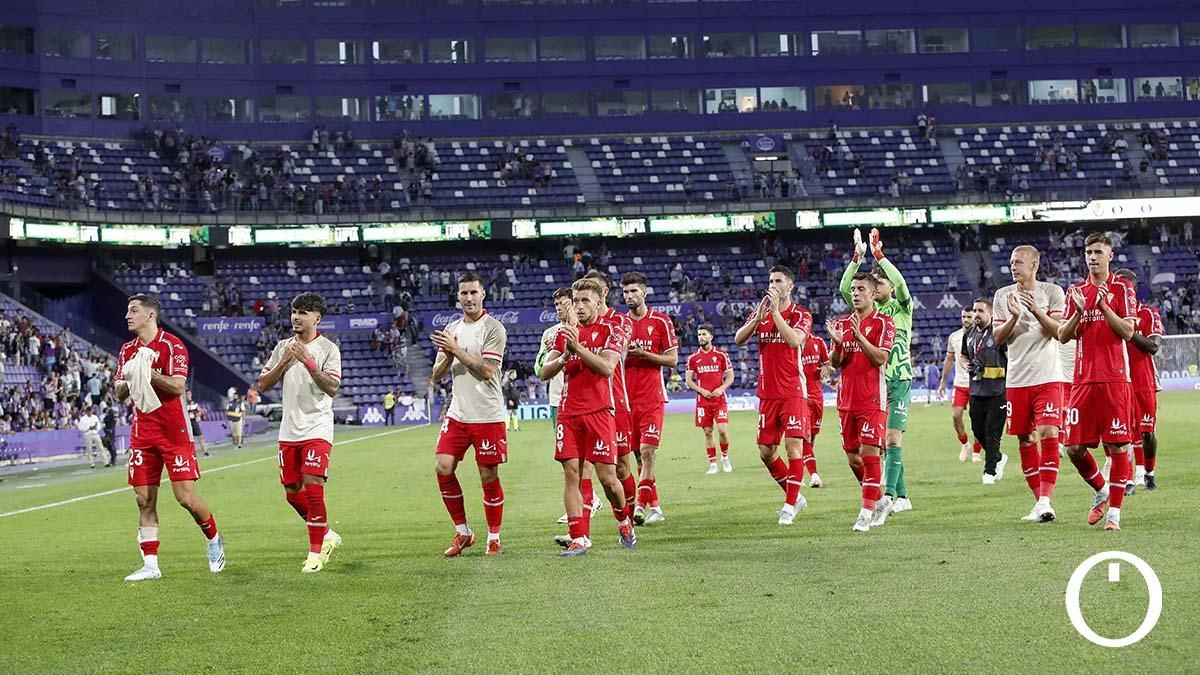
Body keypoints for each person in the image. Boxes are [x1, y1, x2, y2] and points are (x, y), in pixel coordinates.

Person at [114, 294, 224, 582]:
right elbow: (118, 392)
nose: (128, 315)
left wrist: (148, 373)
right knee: (143, 499)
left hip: (173, 432)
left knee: (185, 498)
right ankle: (151, 565)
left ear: (150, 315)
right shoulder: (127, 350)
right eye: (128, 310)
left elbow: (176, 387)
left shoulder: (172, 345)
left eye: (134, 311)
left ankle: (213, 539)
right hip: (142, 432)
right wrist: (130, 376)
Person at [539, 277, 636, 557]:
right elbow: (545, 371)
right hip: (568, 412)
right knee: (571, 474)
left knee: (608, 478)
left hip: (600, 411)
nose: (579, 306)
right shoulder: (564, 333)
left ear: (598, 301)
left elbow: (607, 367)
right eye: (576, 301)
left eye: (585, 301)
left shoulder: (611, 328)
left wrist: (577, 349)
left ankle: (623, 520)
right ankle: (578, 537)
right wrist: (563, 358)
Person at [257, 292, 344, 573]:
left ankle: (316, 553)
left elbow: (332, 387)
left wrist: (308, 362)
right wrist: (284, 361)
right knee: (293, 493)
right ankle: (327, 533)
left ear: (317, 318)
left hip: (317, 427)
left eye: (303, 312)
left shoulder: (329, 349)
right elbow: (262, 385)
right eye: (294, 310)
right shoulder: (283, 346)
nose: (296, 316)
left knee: (313, 485)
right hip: (288, 431)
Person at [1057, 233, 1137, 531]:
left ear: (1110, 256)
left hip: (1115, 379)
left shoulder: (1122, 288)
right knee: (1073, 447)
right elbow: (1063, 335)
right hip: (1082, 381)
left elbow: (1127, 332)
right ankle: (1102, 490)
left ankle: (1114, 514)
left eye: (1098, 252)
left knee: (1117, 448)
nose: (1092, 257)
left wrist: (1104, 308)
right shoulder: (1075, 291)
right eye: (1088, 252)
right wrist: (1079, 313)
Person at [430, 272, 509, 557]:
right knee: (443, 467)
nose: (468, 298)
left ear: (483, 294)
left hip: (487, 414)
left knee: (488, 475)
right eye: (463, 293)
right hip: (458, 414)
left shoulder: (493, 328)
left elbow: (487, 370)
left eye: (473, 292)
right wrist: (448, 354)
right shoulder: (452, 329)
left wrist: (455, 350)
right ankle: (463, 532)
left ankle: (494, 536)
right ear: (458, 296)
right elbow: (436, 375)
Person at [840, 228, 914, 518]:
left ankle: (892, 497)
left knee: (893, 439)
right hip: (876, 385)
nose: (879, 287)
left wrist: (880, 256)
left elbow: (901, 283)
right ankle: (901, 494)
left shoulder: (903, 308)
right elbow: (847, 287)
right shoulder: (869, 315)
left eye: (881, 283)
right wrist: (857, 257)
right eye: (876, 283)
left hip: (901, 380)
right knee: (880, 446)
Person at [734, 265, 812, 526]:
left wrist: (776, 313)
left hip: (792, 392)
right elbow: (738, 339)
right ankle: (796, 496)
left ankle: (789, 506)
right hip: (767, 394)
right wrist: (757, 318)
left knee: (793, 447)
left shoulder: (801, 315)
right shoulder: (761, 313)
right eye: (770, 280)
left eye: (778, 280)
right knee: (766, 452)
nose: (773, 284)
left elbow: (794, 341)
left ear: (790, 286)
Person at [992, 245, 1066, 521]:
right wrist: (1013, 317)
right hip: (1017, 379)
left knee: (1048, 432)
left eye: (1019, 262)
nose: (1013, 267)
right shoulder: (1002, 296)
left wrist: (1036, 310)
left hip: (1048, 376)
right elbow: (998, 338)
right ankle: (1040, 502)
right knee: (1025, 438)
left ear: (1034, 265)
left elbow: (1059, 332)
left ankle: (1046, 499)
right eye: (1011, 262)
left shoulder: (1052, 293)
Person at [827, 273, 895, 532]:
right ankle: (879, 501)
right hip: (847, 400)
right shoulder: (844, 324)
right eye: (853, 289)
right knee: (853, 459)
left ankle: (865, 514)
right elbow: (836, 363)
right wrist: (837, 344)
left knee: (869, 455)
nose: (855, 293)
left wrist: (859, 338)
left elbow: (880, 359)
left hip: (872, 399)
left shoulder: (884, 323)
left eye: (861, 289)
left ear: (874, 293)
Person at [540, 289, 602, 528]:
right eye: (555, 303)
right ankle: (582, 509)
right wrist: (550, 353)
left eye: (563, 302)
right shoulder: (550, 333)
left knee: (588, 462)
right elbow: (540, 370)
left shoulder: (592, 329)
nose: (559, 307)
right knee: (569, 462)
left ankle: (590, 502)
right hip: (559, 401)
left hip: (590, 401)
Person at [622, 272, 679, 525]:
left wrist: (645, 354)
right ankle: (655, 506)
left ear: (644, 293)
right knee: (637, 456)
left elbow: (673, 360)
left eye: (634, 291)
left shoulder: (661, 321)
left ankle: (640, 507)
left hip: (652, 397)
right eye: (625, 292)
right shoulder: (619, 324)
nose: (629, 296)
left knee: (647, 452)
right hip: (626, 399)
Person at [583, 271, 639, 526]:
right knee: (581, 467)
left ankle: (628, 516)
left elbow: (610, 362)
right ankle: (580, 529)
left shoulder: (620, 321)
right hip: (584, 404)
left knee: (620, 468)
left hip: (615, 402)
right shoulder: (578, 322)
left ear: (603, 293)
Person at [1114, 268, 1162, 492]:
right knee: (1123, 432)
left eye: (1126, 287)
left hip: (1143, 381)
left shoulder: (1148, 313)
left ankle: (1149, 472)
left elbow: (1153, 347)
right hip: (1118, 380)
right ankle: (1130, 478)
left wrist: (1129, 332)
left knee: (1146, 431)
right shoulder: (1109, 316)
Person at [964, 299, 1009, 484]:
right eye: (975, 310)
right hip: (976, 390)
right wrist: (967, 365)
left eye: (980, 311)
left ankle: (989, 472)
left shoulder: (998, 333)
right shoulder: (970, 334)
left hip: (998, 390)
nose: (976, 314)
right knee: (977, 430)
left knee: (992, 432)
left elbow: (1010, 358)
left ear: (990, 314)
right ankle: (998, 457)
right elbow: (963, 356)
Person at [685, 324, 734, 474]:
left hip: (719, 400)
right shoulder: (693, 358)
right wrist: (701, 391)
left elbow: (730, 376)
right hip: (703, 401)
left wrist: (721, 389)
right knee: (707, 432)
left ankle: (725, 457)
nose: (701, 337)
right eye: (699, 334)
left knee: (723, 430)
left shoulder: (721, 355)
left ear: (711, 336)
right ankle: (712, 464)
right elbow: (689, 380)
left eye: (704, 334)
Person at [939, 308, 979, 461]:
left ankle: (976, 451)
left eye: (969, 316)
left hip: (977, 384)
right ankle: (965, 444)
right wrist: (943, 381)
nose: (966, 319)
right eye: (964, 316)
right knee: (956, 416)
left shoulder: (980, 335)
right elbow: (949, 359)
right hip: (960, 385)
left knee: (977, 419)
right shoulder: (954, 337)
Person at [800, 332, 830, 487]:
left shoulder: (818, 342)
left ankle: (799, 469)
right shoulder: (791, 342)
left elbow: (828, 363)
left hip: (817, 396)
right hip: (800, 396)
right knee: (804, 436)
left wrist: (826, 368)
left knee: (811, 437)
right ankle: (814, 475)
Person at [185, 391, 209, 458]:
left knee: (200, 437)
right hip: (187, 422)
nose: (189, 395)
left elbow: (199, 411)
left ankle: (205, 452)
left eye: (189, 394)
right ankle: (190, 454)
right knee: (188, 439)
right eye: (187, 394)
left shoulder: (194, 403)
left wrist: (201, 413)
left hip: (194, 421)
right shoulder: (183, 404)